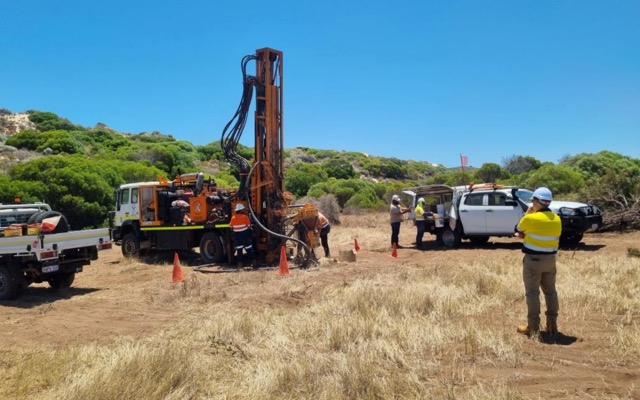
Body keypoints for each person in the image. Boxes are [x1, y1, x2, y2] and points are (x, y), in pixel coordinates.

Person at [514, 187, 562, 338]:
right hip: (550, 260)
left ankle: (533, 327)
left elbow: (518, 228)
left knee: (532, 293)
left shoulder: (531, 218)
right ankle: (552, 324)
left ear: (536, 201)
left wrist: (527, 215)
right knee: (550, 292)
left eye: (533, 201)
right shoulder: (557, 218)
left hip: (533, 261)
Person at [229, 203, 256, 267]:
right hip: (245, 235)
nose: (244, 211)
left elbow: (230, 227)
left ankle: (240, 264)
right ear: (241, 210)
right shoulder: (245, 217)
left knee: (239, 250)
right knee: (249, 249)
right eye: (243, 210)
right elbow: (249, 227)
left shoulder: (233, 218)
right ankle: (253, 262)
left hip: (237, 236)